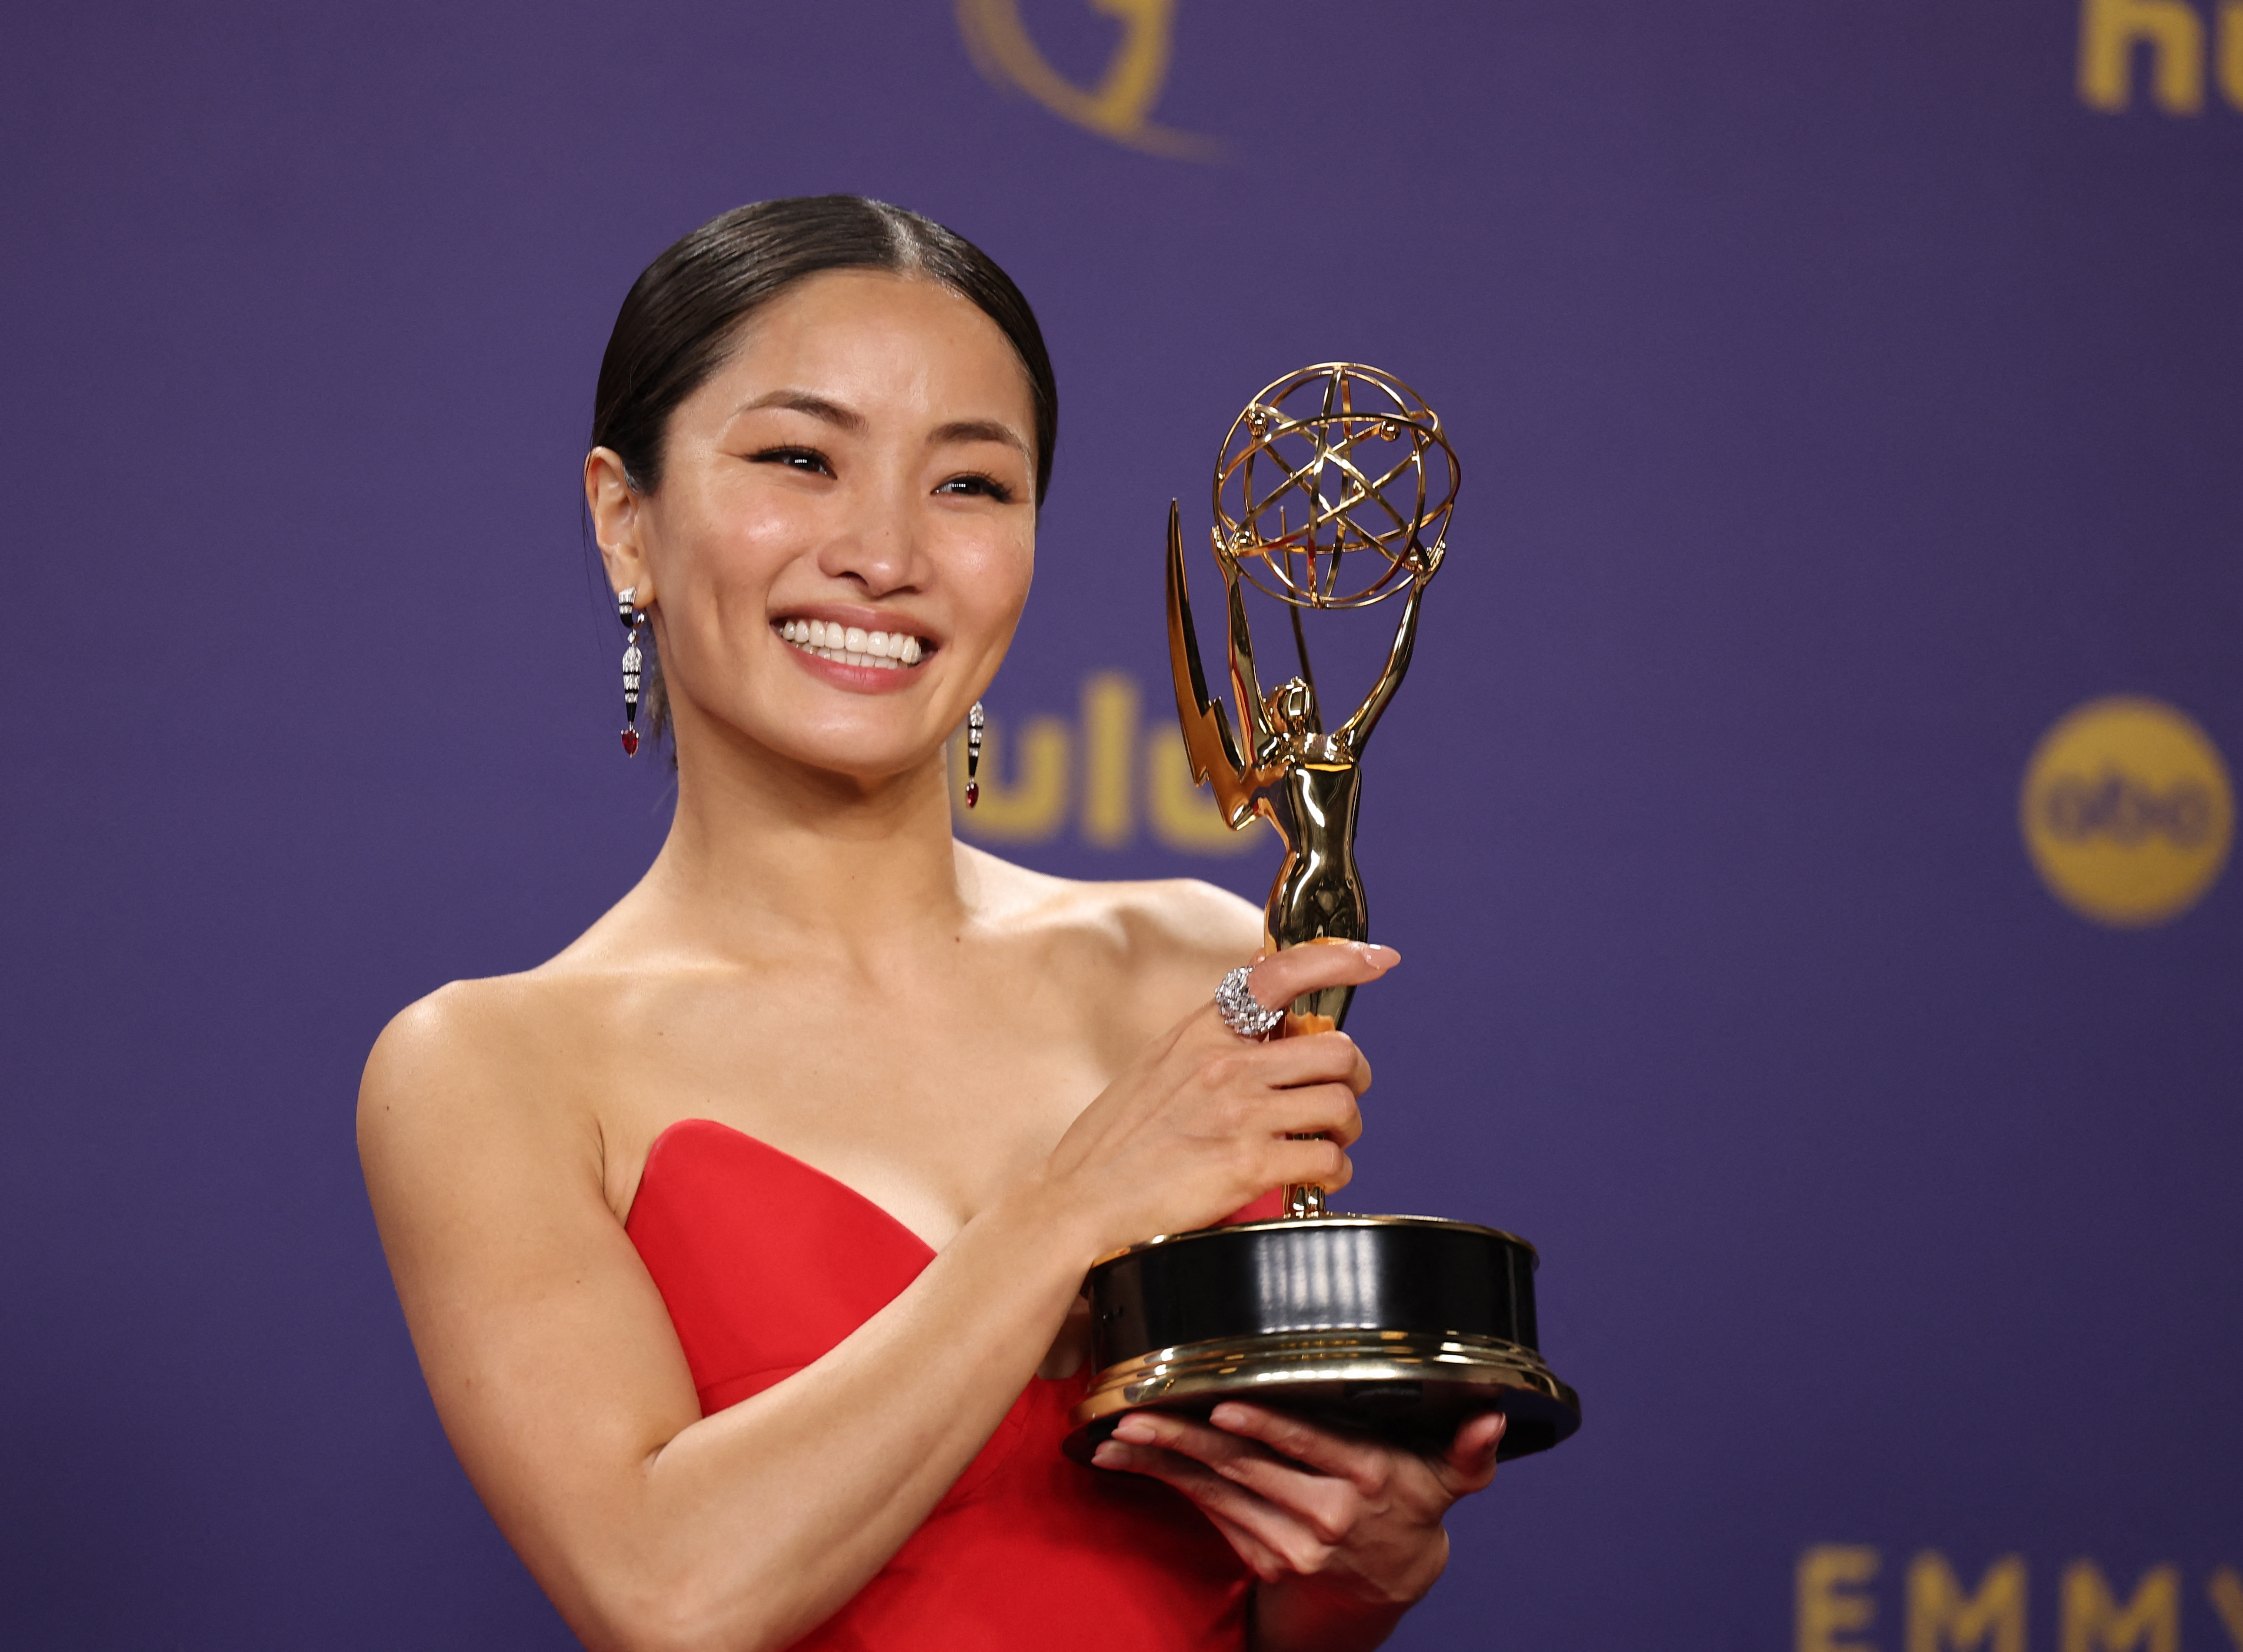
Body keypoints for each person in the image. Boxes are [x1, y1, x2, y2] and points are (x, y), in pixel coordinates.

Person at [358, 195, 1503, 1652]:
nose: (887, 553)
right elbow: (671, 1596)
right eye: (798, 460)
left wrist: (1358, 1570)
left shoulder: (1194, 968)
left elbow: (1239, 1602)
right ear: (624, 519)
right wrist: (1073, 1206)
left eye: (970, 485)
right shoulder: (491, 1070)